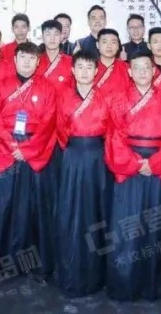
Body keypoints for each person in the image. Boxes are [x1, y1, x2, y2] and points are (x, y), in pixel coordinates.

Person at [104, 52, 161, 301]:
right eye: (136, 68)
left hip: (157, 167)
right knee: (127, 227)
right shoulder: (119, 100)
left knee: (157, 225)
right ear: (129, 71)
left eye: (146, 67)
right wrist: (137, 163)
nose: (142, 72)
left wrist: (155, 163)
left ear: (153, 71)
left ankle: (156, 284)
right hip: (130, 168)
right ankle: (126, 283)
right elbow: (114, 137)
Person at [0, 42, 59, 280]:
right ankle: (0, 266)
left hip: (35, 150)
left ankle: (35, 265)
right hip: (4, 149)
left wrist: (27, 149)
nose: (27, 62)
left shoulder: (47, 88)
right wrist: (11, 146)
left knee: (36, 209)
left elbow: (49, 123)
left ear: (38, 62)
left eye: (32, 58)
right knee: (2, 207)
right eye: (23, 57)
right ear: (14, 60)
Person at [53, 50, 111, 298]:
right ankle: (71, 272)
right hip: (73, 156)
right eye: (80, 67)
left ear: (96, 71)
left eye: (90, 67)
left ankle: (97, 274)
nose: (85, 72)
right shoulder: (63, 97)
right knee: (71, 211)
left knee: (97, 210)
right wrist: (73, 152)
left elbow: (111, 130)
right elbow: (60, 130)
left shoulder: (106, 97)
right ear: (72, 70)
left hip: (98, 157)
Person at [38, 19, 74, 89]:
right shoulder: (36, 62)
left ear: (61, 37)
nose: (52, 38)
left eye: (56, 34)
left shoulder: (71, 62)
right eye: (48, 34)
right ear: (42, 37)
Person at [95, 28, 130, 95]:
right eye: (104, 42)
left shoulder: (127, 68)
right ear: (97, 45)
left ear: (118, 46)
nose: (109, 46)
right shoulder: (90, 68)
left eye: (113, 42)